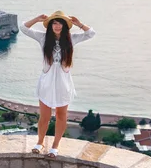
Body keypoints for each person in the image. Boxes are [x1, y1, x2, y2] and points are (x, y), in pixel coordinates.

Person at [20, 11, 96, 158]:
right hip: (46, 82)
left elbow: (91, 33)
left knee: (61, 115)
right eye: (54, 22)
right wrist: (37, 19)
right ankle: (40, 142)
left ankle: (55, 146)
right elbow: (23, 28)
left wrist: (79, 24)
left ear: (65, 26)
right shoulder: (43, 37)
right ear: (49, 25)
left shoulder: (71, 39)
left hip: (63, 82)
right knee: (45, 116)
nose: (57, 25)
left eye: (60, 23)